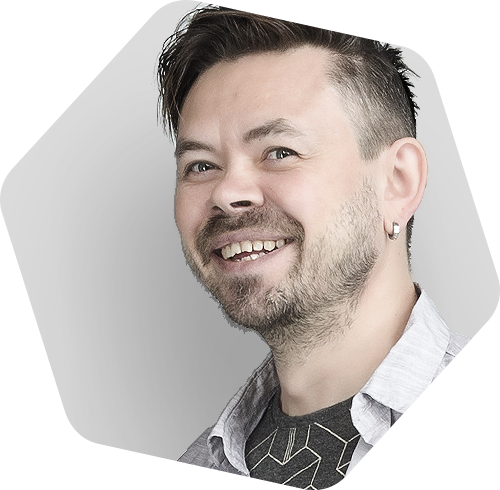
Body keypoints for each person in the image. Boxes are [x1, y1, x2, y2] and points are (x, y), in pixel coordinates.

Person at [157, 1, 500, 488]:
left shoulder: (490, 444)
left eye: (279, 151)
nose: (226, 192)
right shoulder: (191, 475)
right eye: (200, 165)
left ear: (397, 183)